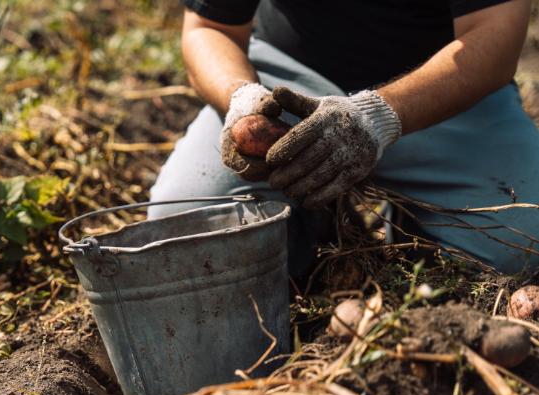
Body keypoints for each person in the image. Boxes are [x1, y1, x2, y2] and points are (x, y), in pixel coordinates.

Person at [148, 0, 539, 275]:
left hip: (446, 94)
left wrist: (377, 116)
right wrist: (242, 97)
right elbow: (208, 28)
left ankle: (416, 226)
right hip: (287, 82)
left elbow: (495, 31)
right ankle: (314, 220)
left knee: (523, 243)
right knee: (186, 229)